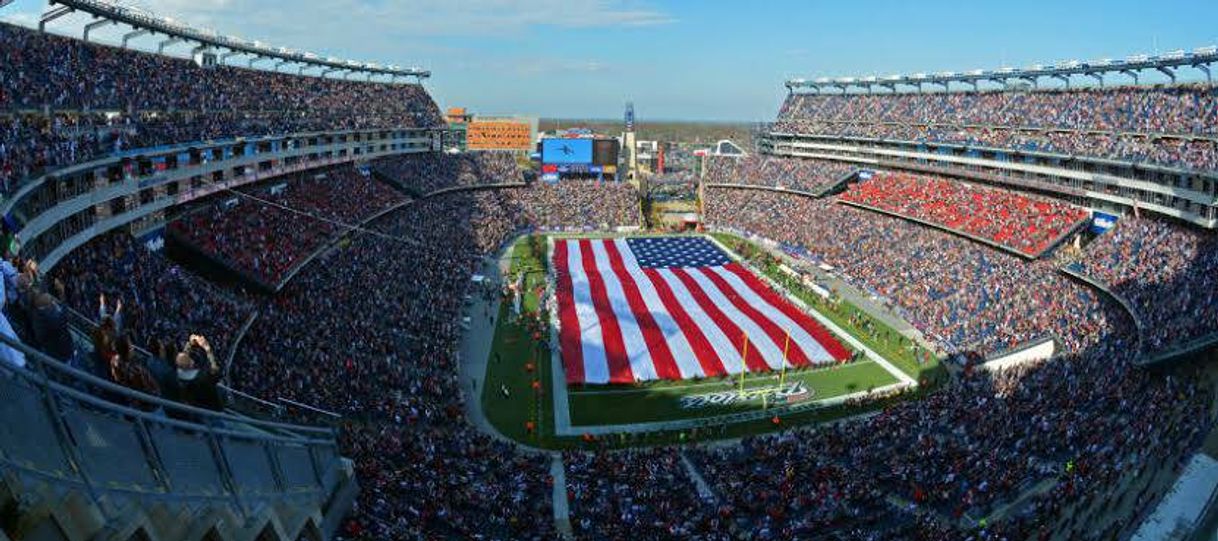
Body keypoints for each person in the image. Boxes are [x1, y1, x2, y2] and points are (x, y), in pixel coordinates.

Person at [171, 334, 225, 412]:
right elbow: (215, 370)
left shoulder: (178, 374)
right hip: (212, 409)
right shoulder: (203, 378)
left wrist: (189, 344)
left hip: (196, 407)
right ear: (191, 364)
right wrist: (208, 350)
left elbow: (182, 361)